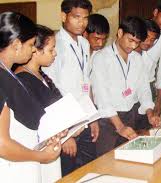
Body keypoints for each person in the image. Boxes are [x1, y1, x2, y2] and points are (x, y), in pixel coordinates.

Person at [0, 11, 61, 182]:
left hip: (24, 160)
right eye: (31, 44)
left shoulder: (8, 73)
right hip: (12, 168)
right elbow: (2, 144)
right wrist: (40, 156)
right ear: (17, 44)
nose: (34, 49)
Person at [42, 0, 99, 176]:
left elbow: (86, 82)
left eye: (85, 18)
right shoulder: (54, 45)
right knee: (68, 174)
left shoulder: (83, 43)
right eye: (76, 17)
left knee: (88, 171)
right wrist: (66, 135)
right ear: (63, 16)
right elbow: (49, 91)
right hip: (67, 125)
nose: (81, 22)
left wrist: (93, 117)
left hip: (85, 117)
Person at [91, 16, 161, 156]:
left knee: (129, 160)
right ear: (120, 33)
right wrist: (120, 126)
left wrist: (149, 113)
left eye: (137, 42)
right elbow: (102, 98)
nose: (133, 46)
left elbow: (144, 89)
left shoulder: (137, 59)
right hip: (109, 120)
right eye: (131, 40)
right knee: (107, 163)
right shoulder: (101, 58)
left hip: (130, 115)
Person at [15, 25, 63, 183]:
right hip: (36, 149)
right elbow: (37, 118)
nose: (55, 53)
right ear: (35, 50)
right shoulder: (23, 79)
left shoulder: (41, 74)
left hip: (51, 145)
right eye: (51, 49)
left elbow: (59, 102)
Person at [135, 19, 161, 130]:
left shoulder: (144, 57)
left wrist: (150, 112)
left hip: (143, 102)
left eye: (152, 40)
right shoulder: (128, 55)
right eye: (146, 38)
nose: (148, 43)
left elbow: (144, 88)